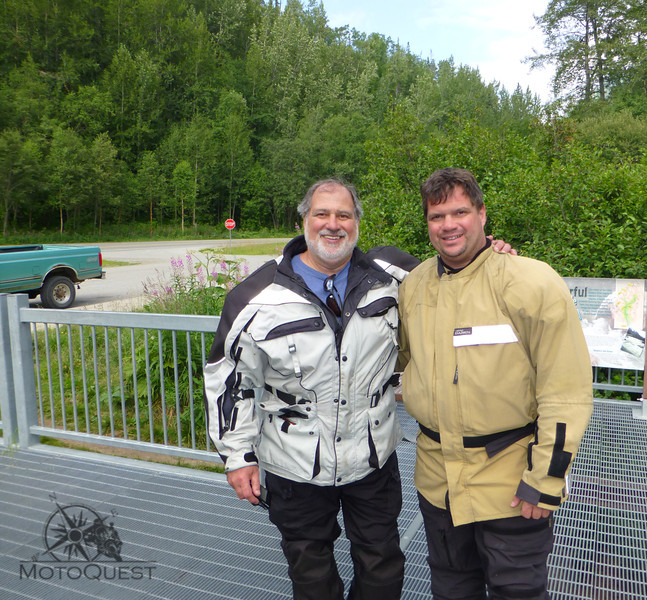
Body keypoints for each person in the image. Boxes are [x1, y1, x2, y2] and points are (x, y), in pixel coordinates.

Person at [204, 179, 419, 600]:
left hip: (372, 457)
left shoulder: (393, 276)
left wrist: (492, 253)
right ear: (304, 219)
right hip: (294, 463)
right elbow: (230, 379)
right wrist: (237, 457)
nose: (332, 224)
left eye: (344, 215)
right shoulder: (256, 295)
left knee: (383, 567)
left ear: (357, 222)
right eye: (322, 214)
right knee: (311, 574)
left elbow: (458, 278)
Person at [397, 168, 594, 600]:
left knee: (517, 592)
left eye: (460, 212)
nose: (449, 224)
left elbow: (567, 394)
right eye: (436, 216)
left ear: (483, 214)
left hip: (510, 485)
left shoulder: (531, 282)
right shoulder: (412, 287)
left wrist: (546, 479)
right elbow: (402, 359)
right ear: (427, 224)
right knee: (451, 589)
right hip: (438, 483)